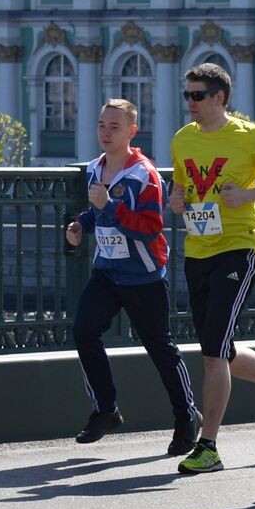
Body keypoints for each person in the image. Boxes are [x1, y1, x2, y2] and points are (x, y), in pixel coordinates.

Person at [169, 62, 255, 474]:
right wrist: (176, 202)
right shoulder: (182, 139)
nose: (190, 102)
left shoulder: (249, 136)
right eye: (187, 95)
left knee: (212, 354)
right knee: (218, 348)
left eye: (197, 95)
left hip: (239, 247)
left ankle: (208, 445)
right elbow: (180, 187)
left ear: (219, 97)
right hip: (197, 248)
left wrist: (245, 196)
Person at [65, 99, 199, 453]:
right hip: (108, 273)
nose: (106, 133)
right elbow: (96, 213)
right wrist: (80, 225)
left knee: (160, 348)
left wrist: (108, 206)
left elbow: (151, 228)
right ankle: (105, 409)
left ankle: (187, 417)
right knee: (83, 331)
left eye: (115, 127)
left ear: (131, 131)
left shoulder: (145, 175)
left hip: (144, 277)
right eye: (101, 125)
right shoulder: (95, 169)